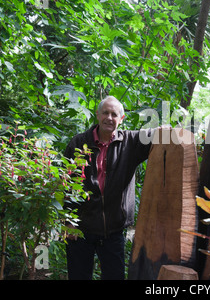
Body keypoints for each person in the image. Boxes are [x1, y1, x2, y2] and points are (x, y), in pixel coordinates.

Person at [63, 95, 154, 280]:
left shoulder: (131, 142)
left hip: (113, 230)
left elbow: (158, 134)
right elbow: (64, 181)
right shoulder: (79, 143)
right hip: (81, 227)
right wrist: (67, 220)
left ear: (122, 119)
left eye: (114, 114)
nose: (109, 118)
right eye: (105, 112)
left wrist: (169, 131)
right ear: (98, 114)